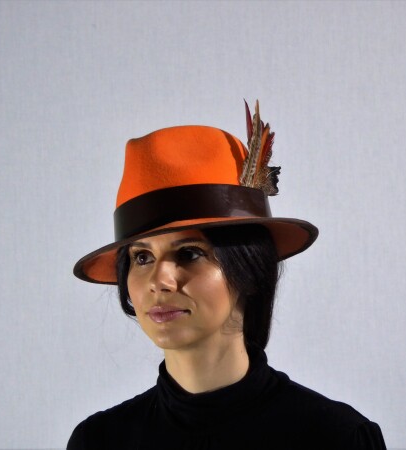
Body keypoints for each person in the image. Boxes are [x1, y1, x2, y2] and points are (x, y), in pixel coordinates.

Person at [67, 101, 387, 449]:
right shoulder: (99, 441)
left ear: (249, 268)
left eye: (190, 253)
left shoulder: (336, 439)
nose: (160, 280)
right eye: (142, 257)